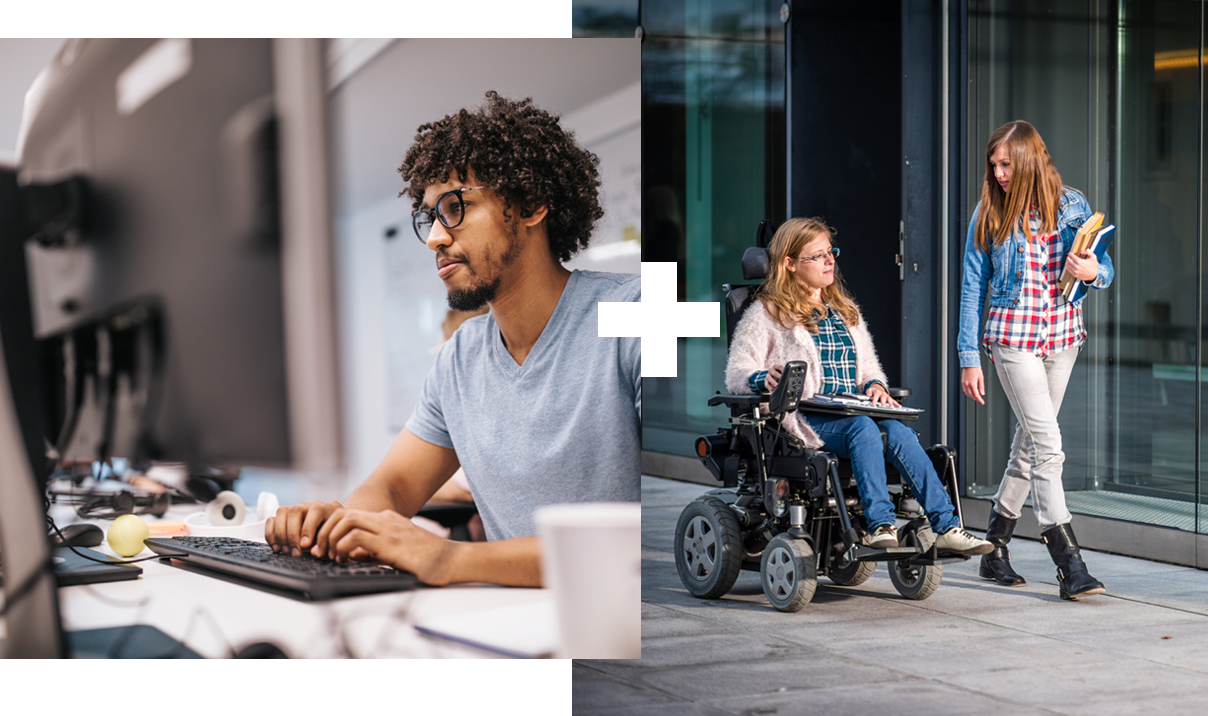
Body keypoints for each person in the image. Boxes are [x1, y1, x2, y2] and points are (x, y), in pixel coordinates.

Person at [265, 92, 641, 587]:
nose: (436, 238)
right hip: (518, 627)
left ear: (530, 206)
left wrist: (450, 559)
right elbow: (393, 487)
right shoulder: (460, 359)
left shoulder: (635, 314)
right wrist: (339, 524)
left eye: (455, 207)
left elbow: (656, 535)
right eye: (430, 217)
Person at [726, 217, 993, 555]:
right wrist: (762, 378)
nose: (829, 261)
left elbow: (869, 369)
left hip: (850, 408)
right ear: (790, 264)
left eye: (830, 252)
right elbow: (737, 371)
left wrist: (877, 385)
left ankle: (947, 526)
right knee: (863, 429)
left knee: (898, 433)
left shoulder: (844, 310)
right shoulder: (766, 313)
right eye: (817, 256)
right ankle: (880, 524)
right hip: (802, 418)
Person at [958, 120, 1113, 600]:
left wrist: (1093, 272)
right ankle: (1068, 561)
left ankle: (995, 547)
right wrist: (968, 356)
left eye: (1006, 163)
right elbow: (971, 286)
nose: (999, 172)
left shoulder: (1072, 204)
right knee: (1048, 444)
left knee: (1028, 448)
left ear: (1028, 159)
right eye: (994, 165)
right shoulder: (990, 211)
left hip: (1063, 337)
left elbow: (1102, 267)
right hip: (1013, 341)